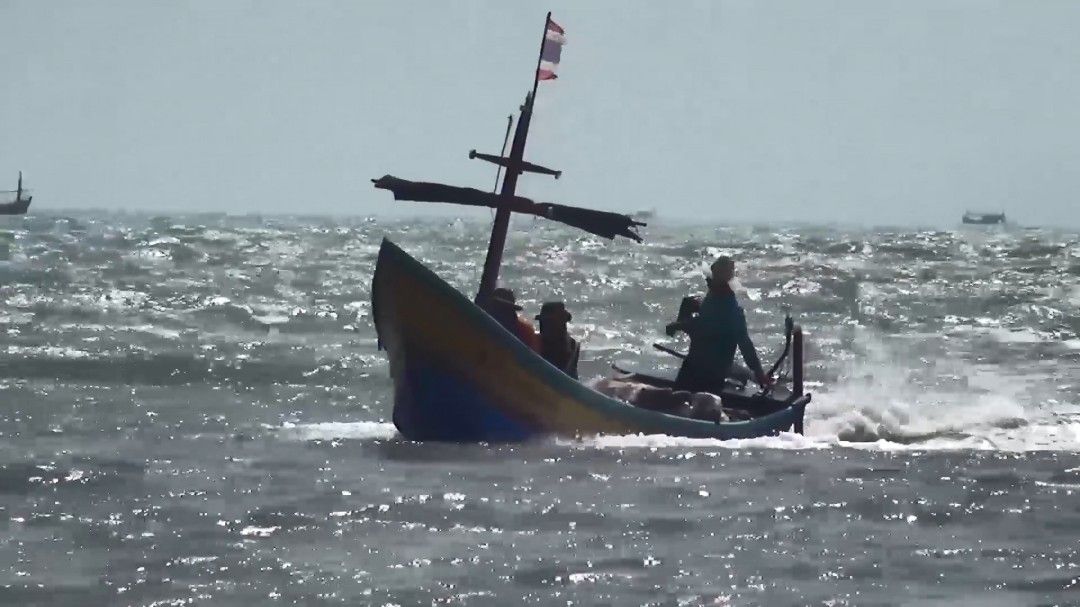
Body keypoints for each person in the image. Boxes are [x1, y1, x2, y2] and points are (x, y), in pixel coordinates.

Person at [665, 256, 771, 393]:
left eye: (712, 278)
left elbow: (744, 344)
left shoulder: (730, 310)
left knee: (683, 397)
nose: (708, 281)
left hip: (710, 372)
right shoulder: (714, 297)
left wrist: (759, 373)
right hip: (696, 364)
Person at [484, 287, 540, 351]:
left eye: (504, 309)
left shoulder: (524, 331)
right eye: (496, 307)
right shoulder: (482, 326)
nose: (500, 313)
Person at [535, 301, 580, 379]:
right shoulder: (536, 342)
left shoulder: (572, 346)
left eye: (550, 322)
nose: (545, 325)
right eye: (544, 322)